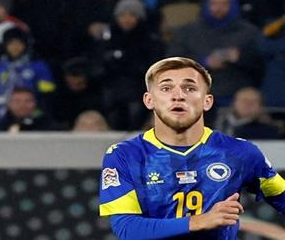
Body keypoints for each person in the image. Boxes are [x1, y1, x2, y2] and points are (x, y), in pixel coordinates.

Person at [98, 57, 285, 238]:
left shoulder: (240, 152)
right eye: (166, 88)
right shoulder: (125, 155)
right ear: (149, 100)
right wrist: (199, 221)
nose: (178, 96)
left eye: (189, 88)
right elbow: (126, 228)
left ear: (207, 101)